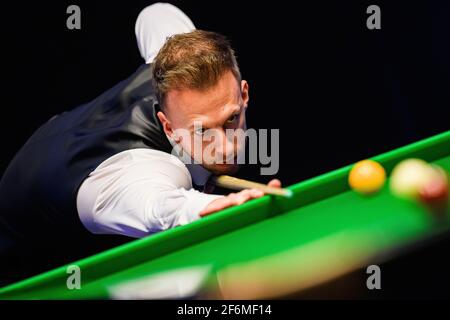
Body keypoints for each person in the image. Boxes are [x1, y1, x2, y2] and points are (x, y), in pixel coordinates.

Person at [0, 3, 280, 283]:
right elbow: (159, 208)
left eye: (231, 119)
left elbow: (156, 13)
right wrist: (206, 209)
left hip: (62, 128)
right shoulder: (138, 171)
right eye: (202, 130)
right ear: (168, 125)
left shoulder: (172, 64)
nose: (226, 147)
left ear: (244, 94)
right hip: (18, 246)